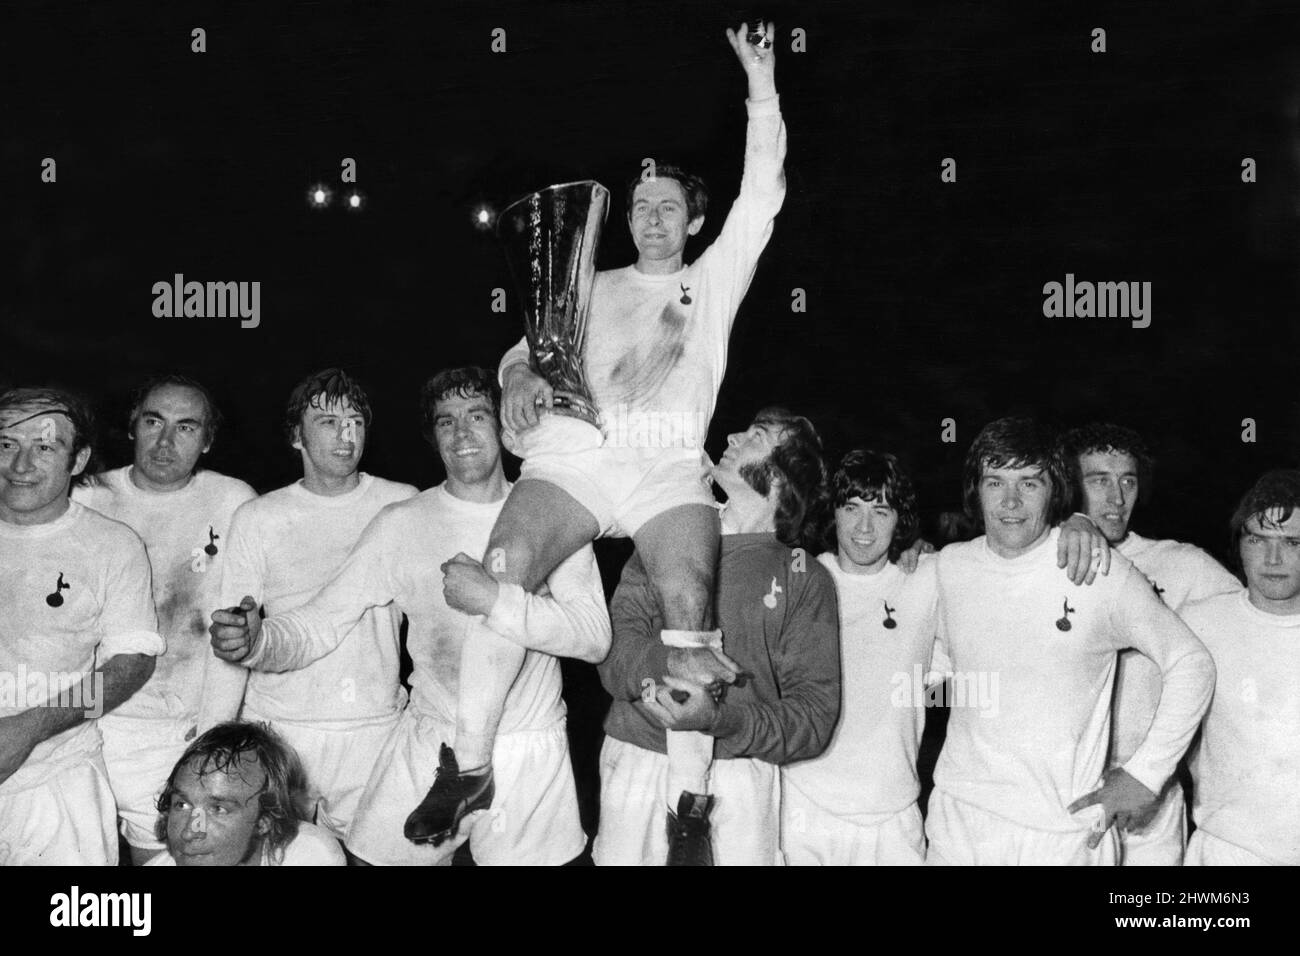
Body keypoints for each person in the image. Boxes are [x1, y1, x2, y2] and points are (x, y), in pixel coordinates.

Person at [422, 22, 789, 859]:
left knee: (690, 614)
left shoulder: (712, 279)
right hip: (574, 462)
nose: (651, 219)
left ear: (694, 221)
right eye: (639, 207)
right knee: (500, 575)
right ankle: (468, 766)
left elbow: (763, 193)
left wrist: (760, 85)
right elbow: (529, 349)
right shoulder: (587, 282)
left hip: (665, 472)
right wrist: (514, 376)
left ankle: (689, 807)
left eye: (668, 208)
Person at [210, 367, 609, 865]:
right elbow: (321, 621)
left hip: (528, 744)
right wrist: (258, 641)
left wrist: (496, 601)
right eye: (446, 422)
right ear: (434, 439)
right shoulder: (403, 522)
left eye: (477, 415)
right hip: (431, 738)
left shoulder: (555, 513)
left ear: (505, 429)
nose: (462, 433)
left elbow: (594, 637)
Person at [925, 417, 1215, 865]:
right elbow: (941, 652)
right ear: (975, 489)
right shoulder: (949, 566)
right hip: (961, 826)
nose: (1010, 501)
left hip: (1063, 835)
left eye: (1030, 483)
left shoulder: (1097, 569)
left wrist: (1146, 775)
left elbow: (1191, 664)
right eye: (995, 481)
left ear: (1055, 489)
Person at [595, 407, 839, 865]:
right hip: (639, 761)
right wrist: (669, 664)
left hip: (739, 781)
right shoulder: (668, 535)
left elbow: (814, 719)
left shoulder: (804, 576)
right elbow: (614, 654)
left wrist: (722, 721)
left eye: (756, 434)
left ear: (785, 476)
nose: (731, 435)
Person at [197, 368, 416, 842]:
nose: (346, 435)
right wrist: (208, 747)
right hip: (279, 733)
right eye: (328, 422)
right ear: (296, 435)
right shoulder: (258, 516)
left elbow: (438, 628)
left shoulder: (403, 504)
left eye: (356, 422)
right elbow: (234, 642)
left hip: (373, 728)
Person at [73, 374, 256, 864]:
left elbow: (240, 628)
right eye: (154, 421)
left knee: (157, 857)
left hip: (175, 727)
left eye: (186, 427)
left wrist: (213, 730)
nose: (165, 441)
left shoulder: (234, 501)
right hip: (85, 720)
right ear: (132, 426)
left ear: (208, 441)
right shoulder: (87, 496)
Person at [1059, 423, 1238, 865]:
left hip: (1149, 800)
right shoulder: (1048, 560)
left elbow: (1262, 619)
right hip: (1067, 796)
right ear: (1070, 486)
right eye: (1099, 480)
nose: (1116, 498)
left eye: (1128, 481)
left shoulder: (1183, 565)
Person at [0, 387, 163, 865]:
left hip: (58, 779)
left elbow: (132, 666)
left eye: (45, 446)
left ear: (78, 459)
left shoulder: (111, 546)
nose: (21, 464)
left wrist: (29, 728)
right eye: (6, 444)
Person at [780, 450, 939, 866]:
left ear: (899, 519)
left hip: (893, 814)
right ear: (833, 513)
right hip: (805, 803)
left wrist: (1077, 524)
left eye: (881, 511)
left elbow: (1005, 561)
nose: (864, 527)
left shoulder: (927, 578)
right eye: (851, 508)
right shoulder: (801, 580)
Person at [1182, 470, 1300, 866]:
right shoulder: (1198, 624)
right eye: (1257, 539)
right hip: (1227, 851)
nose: (1272, 559)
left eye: (1292, 542)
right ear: (1239, 544)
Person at [148, 720, 345, 866]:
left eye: (218, 809)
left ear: (264, 820)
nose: (189, 832)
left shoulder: (311, 856)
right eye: (181, 805)